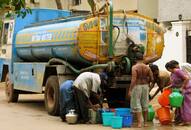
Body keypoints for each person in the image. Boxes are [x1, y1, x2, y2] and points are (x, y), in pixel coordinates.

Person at [127, 52, 153, 128]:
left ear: (135, 59)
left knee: (137, 103)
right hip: (145, 86)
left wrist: (130, 90)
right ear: (143, 58)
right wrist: (147, 84)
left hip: (137, 86)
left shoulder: (134, 67)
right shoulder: (147, 67)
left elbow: (133, 79)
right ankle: (145, 123)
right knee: (145, 104)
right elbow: (152, 78)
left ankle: (139, 123)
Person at [165, 60, 191, 125]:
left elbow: (187, 78)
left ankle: (186, 121)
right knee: (179, 105)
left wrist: (182, 87)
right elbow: (175, 82)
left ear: (169, 68)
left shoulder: (177, 71)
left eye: (167, 69)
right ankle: (179, 119)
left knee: (185, 105)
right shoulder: (173, 73)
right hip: (179, 90)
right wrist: (169, 87)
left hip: (186, 89)